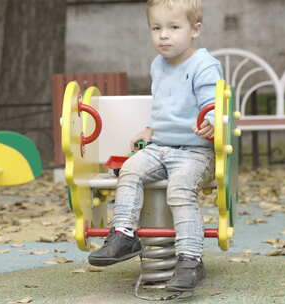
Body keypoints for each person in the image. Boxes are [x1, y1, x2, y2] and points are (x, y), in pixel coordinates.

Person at [87, 0, 222, 291]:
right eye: (156, 28)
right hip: (160, 146)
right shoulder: (158, 65)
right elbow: (164, 107)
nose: (163, 35)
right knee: (130, 170)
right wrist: (149, 129)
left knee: (180, 190)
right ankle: (124, 235)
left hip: (195, 151)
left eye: (174, 28)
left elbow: (214, 103)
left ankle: (190, 260)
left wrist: (212, 120)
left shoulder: (204, 64)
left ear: (195, 29)